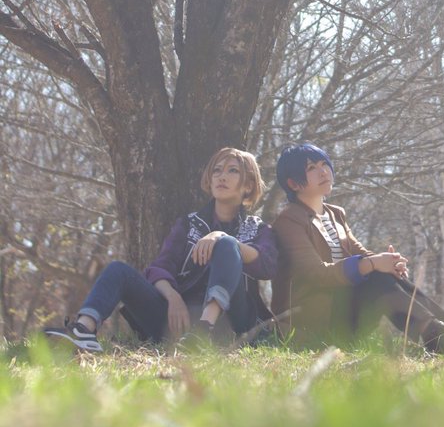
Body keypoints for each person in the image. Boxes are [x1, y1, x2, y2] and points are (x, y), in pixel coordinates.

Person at [44, 147, 278, 353]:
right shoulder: (188, 224)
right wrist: (173, 298)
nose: (221, 176)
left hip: (231, 322)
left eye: (232, 171)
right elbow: (159, 269)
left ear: (248, 185)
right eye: (217, 170)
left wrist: (223, 238)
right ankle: (83, 330)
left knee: (227, 245)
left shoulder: (257, 229)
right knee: (118, 270)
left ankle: (204, 331)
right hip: (179, 322)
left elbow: (267, 265)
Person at [271, 142, 444, 354]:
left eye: (324, 164)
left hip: (346, 314)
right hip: (313, 325)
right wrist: (372, 264)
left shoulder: (335, 214)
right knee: (375, 276)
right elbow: (317, 274)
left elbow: (361, 254)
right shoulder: (289, 221)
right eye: (311, 168)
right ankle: (438, 336)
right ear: (293, 183)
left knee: (382, 273)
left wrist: (388, 263)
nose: (323, 172)